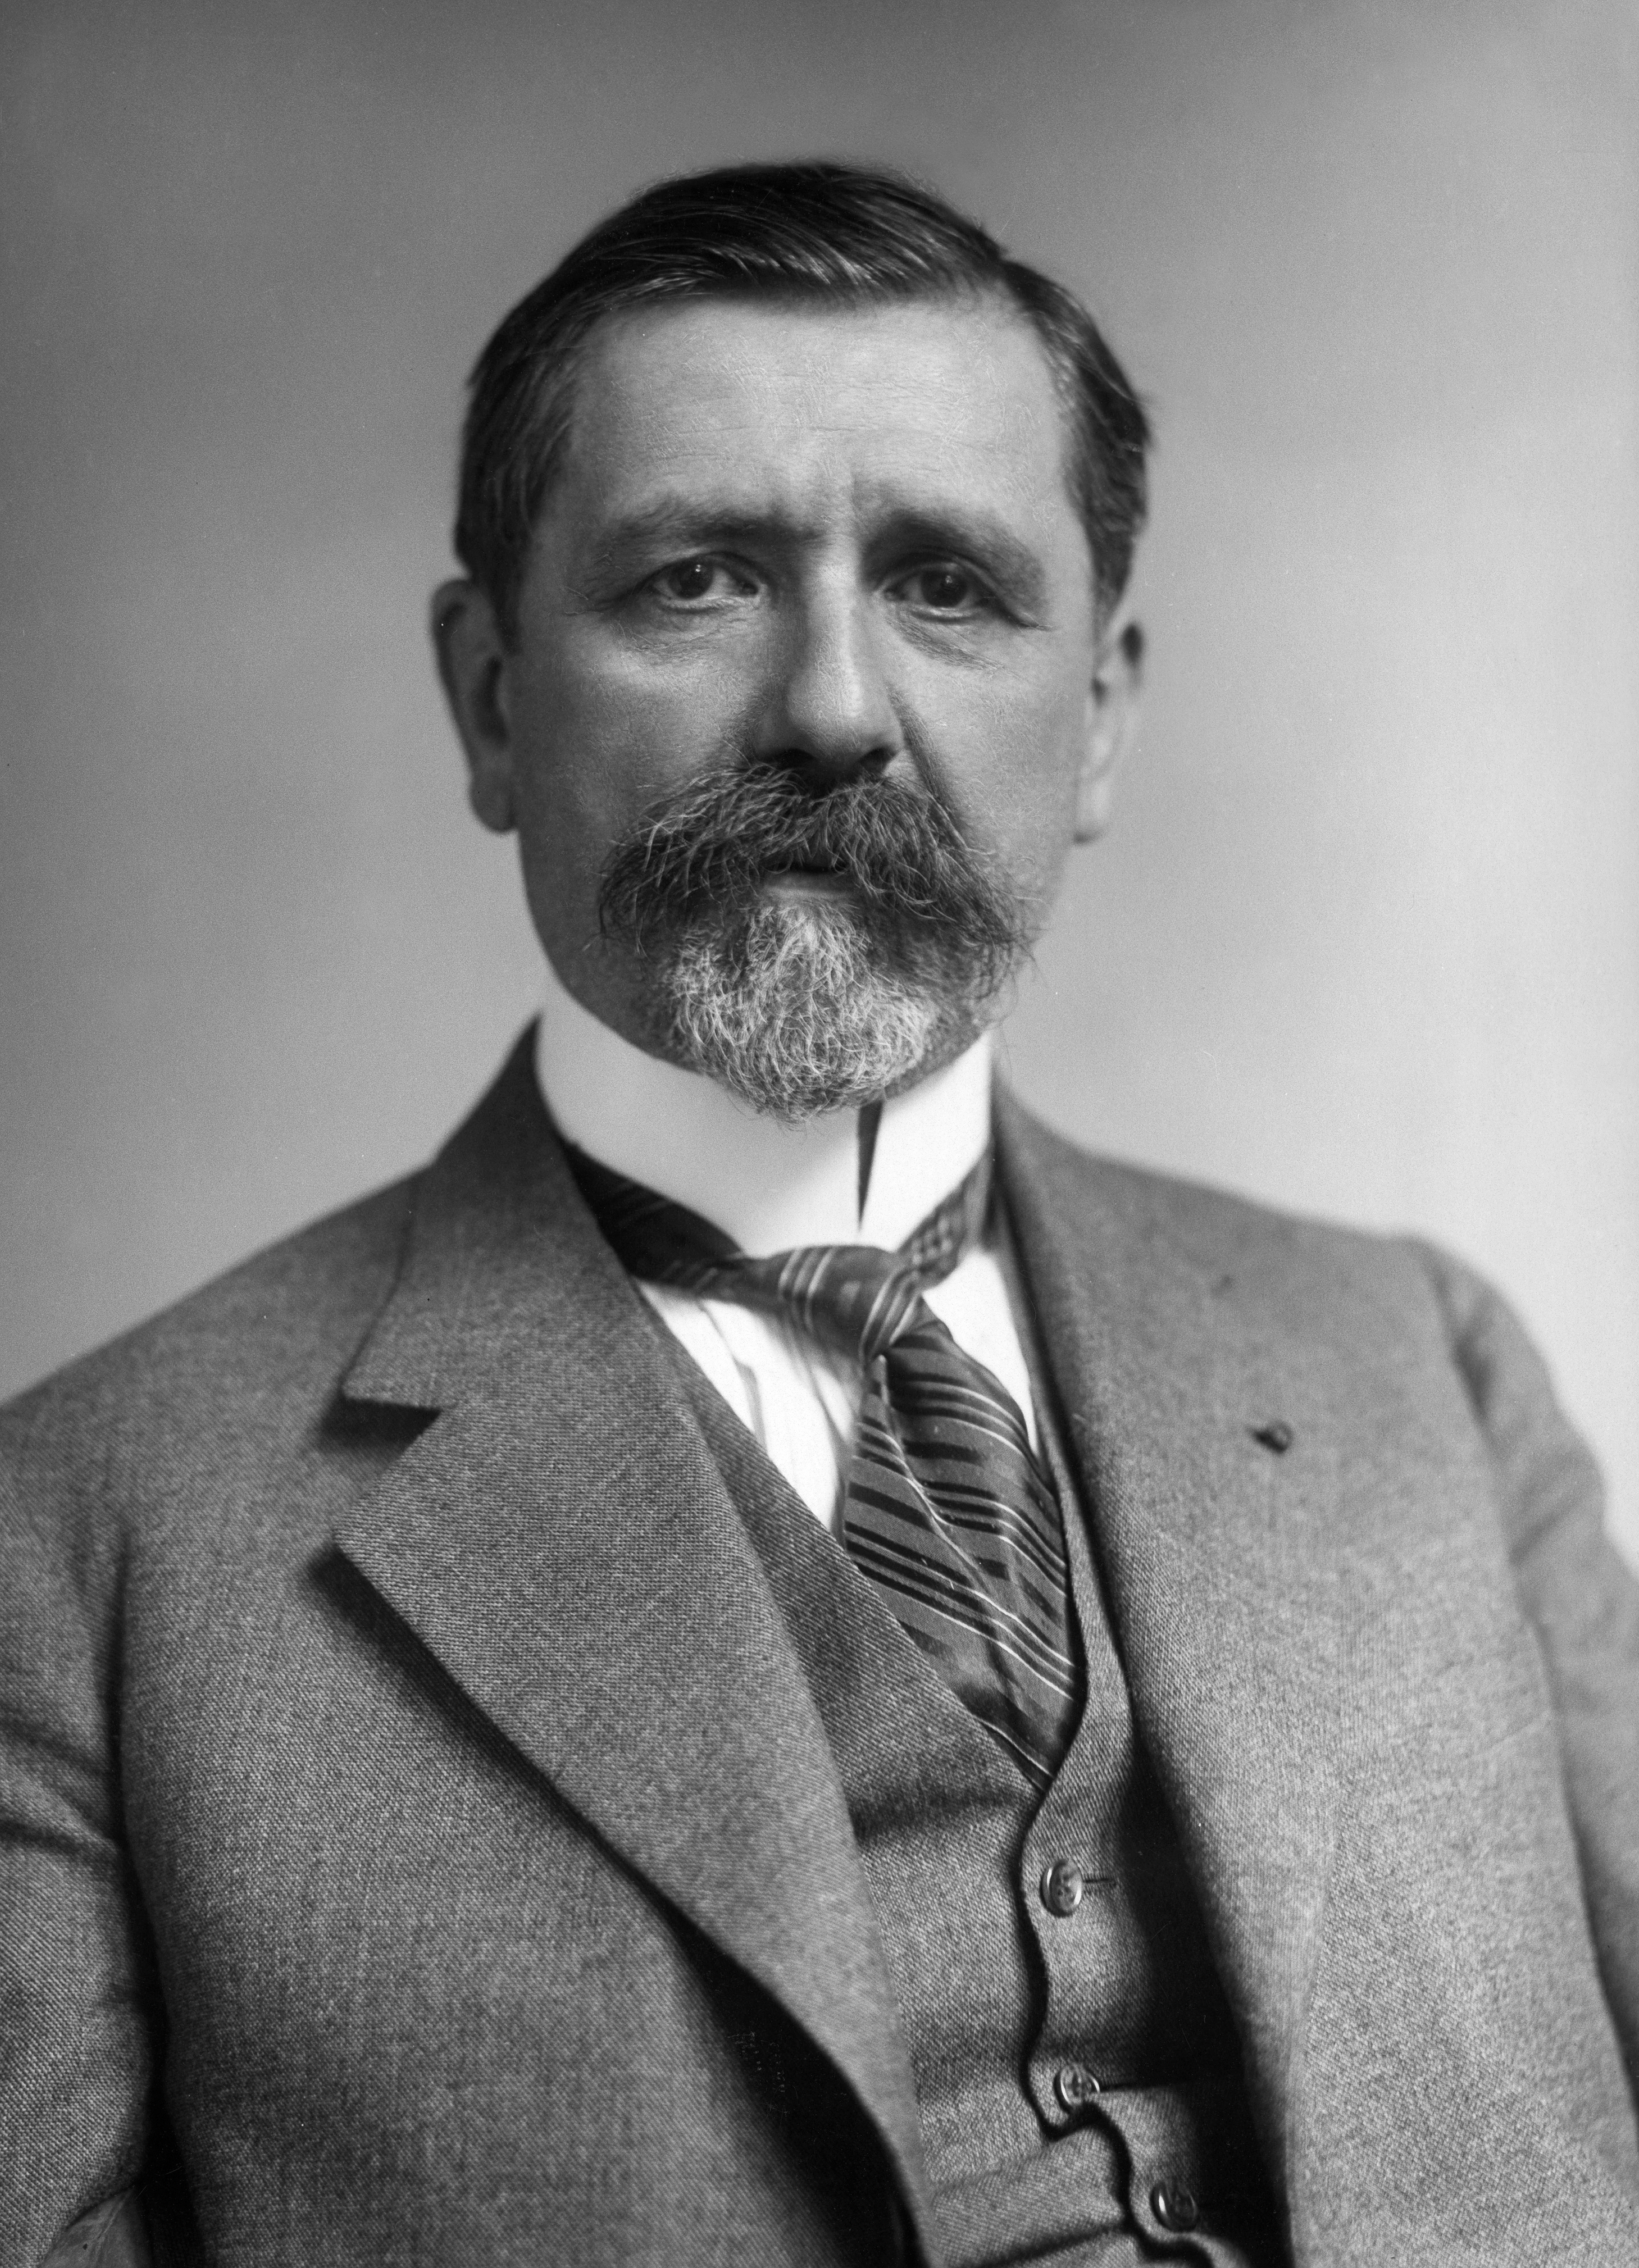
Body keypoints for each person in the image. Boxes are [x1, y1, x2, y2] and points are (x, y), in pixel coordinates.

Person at [2, 161, 1636, 2268]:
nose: (838, 708)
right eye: (698, 579)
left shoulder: (1420, 1356)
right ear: (494, 699)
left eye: (950, 583)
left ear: (1105, 712)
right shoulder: (78, 1535)